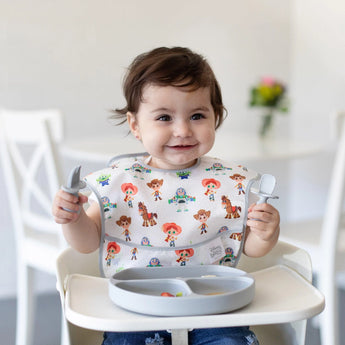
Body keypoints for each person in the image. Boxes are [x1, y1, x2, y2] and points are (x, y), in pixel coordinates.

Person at [52, 47, 280, 345]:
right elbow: (88, 241)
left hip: (215, 307)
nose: (183, 130)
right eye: (164, 118)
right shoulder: (122, 180)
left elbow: (250, 247)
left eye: (197, 115)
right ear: (135, 125)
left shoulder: (229, 181)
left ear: (217, 118)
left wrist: (265, 233)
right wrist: (73, 218)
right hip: (136, 309)